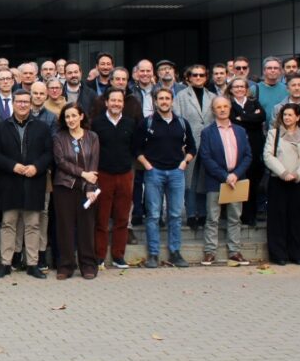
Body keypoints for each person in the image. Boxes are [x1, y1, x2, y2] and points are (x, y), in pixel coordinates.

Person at [0, 90, 53, 279]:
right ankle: (5, 263)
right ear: (14, 103)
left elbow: (49, 153)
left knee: (33, 224)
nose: (23, 105)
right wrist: (13, 166)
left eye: (26, 102)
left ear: (31, 103)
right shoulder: (2, 127)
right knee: (8, 224)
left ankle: (32, 264)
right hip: (10, 181)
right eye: (19, 102)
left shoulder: (41, 127)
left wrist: (37, 167)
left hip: (34, 181)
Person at [134, 88, 196, 268]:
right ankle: (153, 254)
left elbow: (192, 147)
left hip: (177, 173)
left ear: (172, 100)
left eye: (167, 98)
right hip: (154, 173)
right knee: (153, 215)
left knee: (175, 215)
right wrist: (147, 165)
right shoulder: (147, 123)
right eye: (160, 98)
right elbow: (136, 148)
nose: (164, 101)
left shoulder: (182, 123)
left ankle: (175, 252)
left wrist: (185, 162)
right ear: (155, 101)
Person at [198, 96, 253, 266]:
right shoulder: (207, 132)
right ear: (213, 110)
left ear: (230, 108)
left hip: (236, 180)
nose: (222, 109)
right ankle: (210, 252)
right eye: (218, 107)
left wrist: (236, 174)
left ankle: (235, 252)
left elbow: (247, 155)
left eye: (225, 106)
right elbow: (205, 157)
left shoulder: (240, 131)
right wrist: (224, 176)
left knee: (235, 217)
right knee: (212, 217)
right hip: (216, 180)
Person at [52, 102, 101, 280]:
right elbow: (61, 162)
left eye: (74, 116)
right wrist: (83, 174)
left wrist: (90, 188)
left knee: (86, 227)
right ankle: (65, 266)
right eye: (67, 117)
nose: (70, 119)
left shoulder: (93, 137)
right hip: (64, 187)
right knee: (64, 228)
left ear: (81, 116)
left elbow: (93, 164)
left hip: (86, 190)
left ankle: (88, 265)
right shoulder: (59, 137)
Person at [89, 89, 137, 269]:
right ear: (106, 102)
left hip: (125, 174)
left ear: (123, 103)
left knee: (122, 217)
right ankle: (99, 256)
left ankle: (118, 256)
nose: (116, 104)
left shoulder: (130, 123)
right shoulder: (97, 123)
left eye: (119, 101)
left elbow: (134, 148)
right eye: (113, 100)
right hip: (103, 175)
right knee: (101, 218)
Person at [263, 104, 300, 265]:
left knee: (296, 217)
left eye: (290, 115)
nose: (287, 118)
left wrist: (297, 174)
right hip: (278, 180)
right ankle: (279, 254)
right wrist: (283, 173)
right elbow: (267, 155)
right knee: (277, 218)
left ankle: (296, 254)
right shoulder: (274, 133)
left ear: (298, 117)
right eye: (285, 115)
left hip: (298, 181)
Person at [174, 64, 214, 231]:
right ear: (188, 77)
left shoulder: (212, 96)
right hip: (189, 143)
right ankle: (191, 214)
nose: (198, 78)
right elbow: (178, 120)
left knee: (205, 179)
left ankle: (203, 213)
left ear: (206, 77)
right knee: (190, 181)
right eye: (194, 75)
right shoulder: (181, 96)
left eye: (201, 75)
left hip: (208, 143)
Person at [228, 77, 267, 228]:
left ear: (246, 89)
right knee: (240, 180)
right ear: (231, 89)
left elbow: (261, 117)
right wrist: (251, 118)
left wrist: (242, 117)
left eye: (242, 86)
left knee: (253, 181)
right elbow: (233, 121)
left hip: (255, 146)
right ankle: (240, 216)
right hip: (237, 147)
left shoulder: (254, 102)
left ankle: (251, 215)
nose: (239, 89)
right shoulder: (229, 105)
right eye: (235, 87)